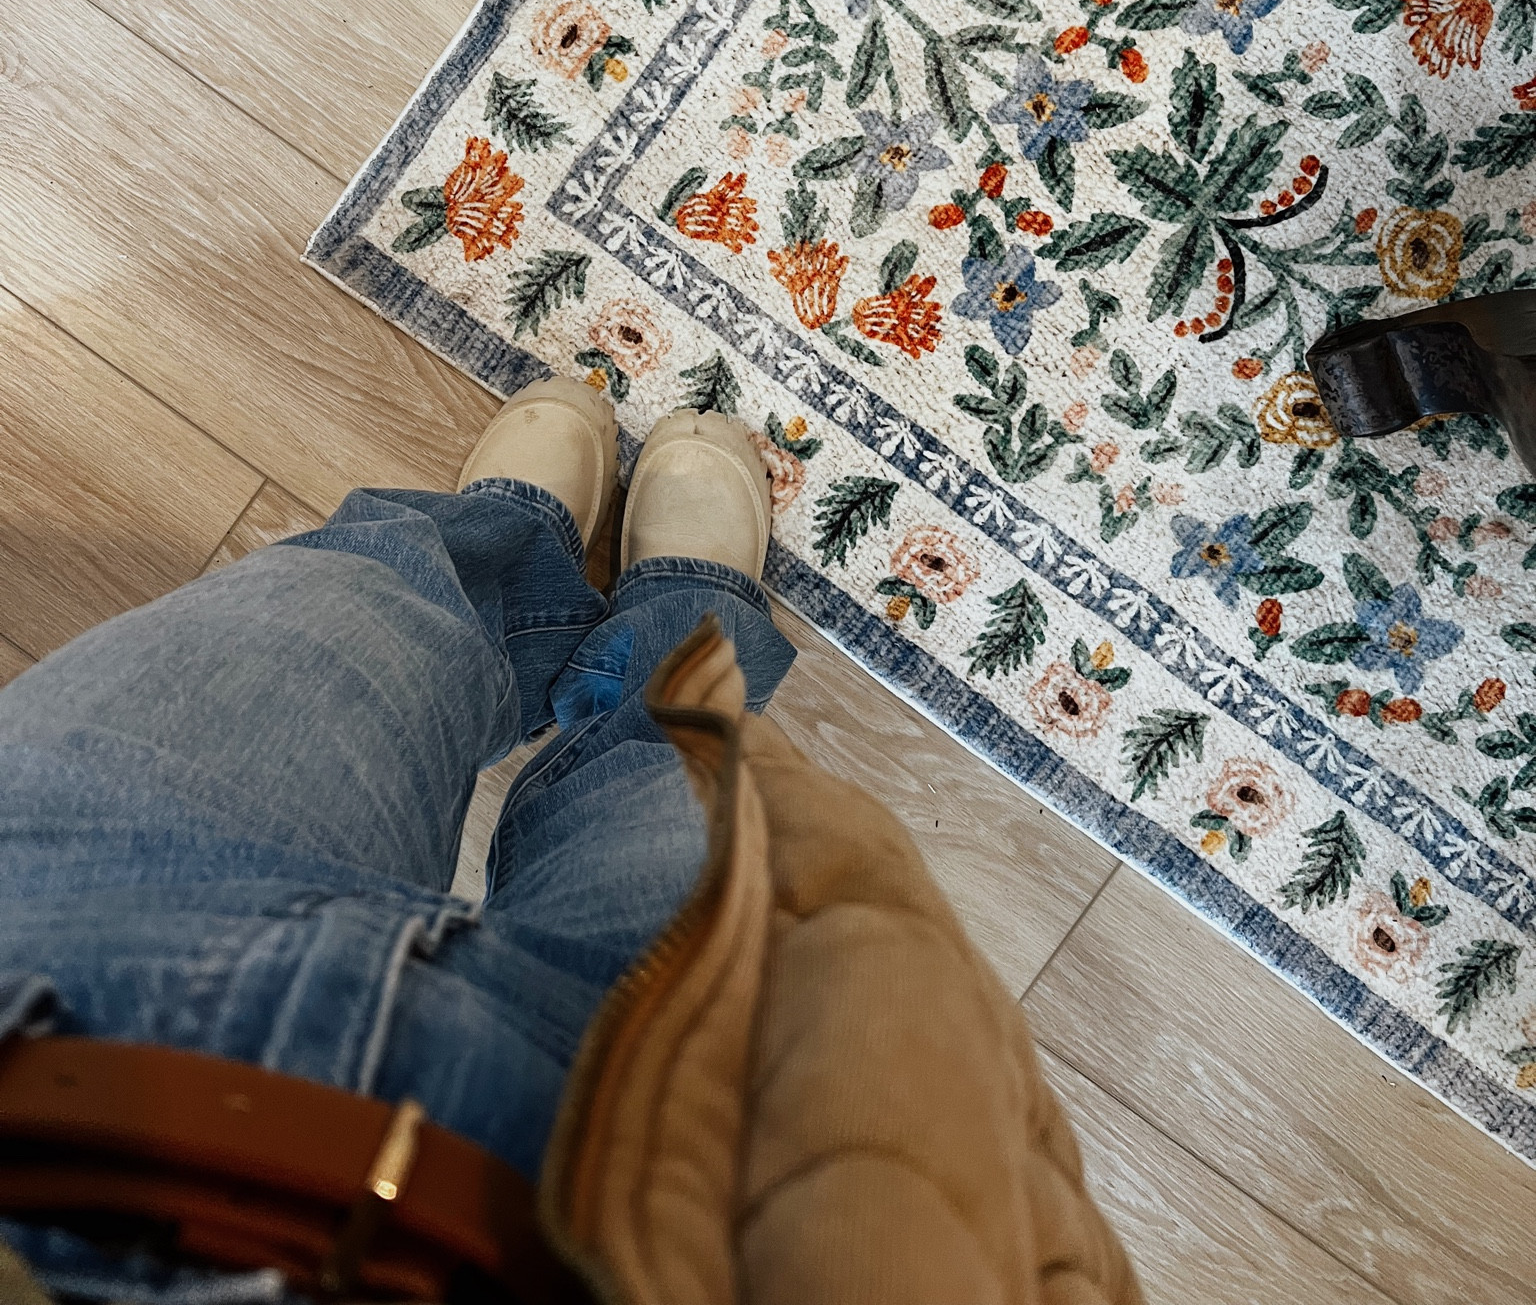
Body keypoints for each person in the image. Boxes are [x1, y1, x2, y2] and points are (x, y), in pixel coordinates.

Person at [0, 378, 1142, 1305]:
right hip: (654, 1208)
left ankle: (506, 555)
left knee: (353, 612)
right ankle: (679, 609)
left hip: (47, 994)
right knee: (672, 768)